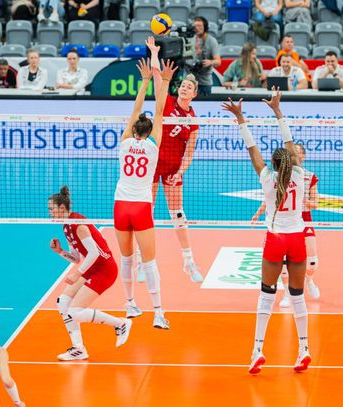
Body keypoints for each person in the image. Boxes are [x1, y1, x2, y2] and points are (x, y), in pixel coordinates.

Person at [222, 91, 311, 375]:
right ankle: (304, 349)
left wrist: (240, 118)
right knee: (297, 296)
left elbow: (252, 150)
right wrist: (278, 111)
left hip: (276, 239)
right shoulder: (300, 175)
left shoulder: (267, 178)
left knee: (266, 295)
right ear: (292, 161)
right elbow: (289, 143)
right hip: (297, 238)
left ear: (273, 164)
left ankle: (257, 350)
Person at [113, 57, 176, 328]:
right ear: (150, 132)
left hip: (120, 205)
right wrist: (165, 81)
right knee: (149, 263)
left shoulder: (125, 141)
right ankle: (158, 313)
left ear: (134, 128)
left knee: (127, 259)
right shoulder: (153, 146)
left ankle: (129, 304)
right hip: (140, 206)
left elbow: (136, 109)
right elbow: (159, 110)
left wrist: (145, 81)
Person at [144, 36, 204, 283]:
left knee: (178, 214)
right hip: (153, 164)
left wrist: (181, 171)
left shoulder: (193, 122)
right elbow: (157, 76)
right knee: (146, 213)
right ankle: (144, 262)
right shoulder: (166, 101)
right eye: (183, 85)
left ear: (194, 94)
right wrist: (154, 53)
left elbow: (189, 152)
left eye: (189, 87)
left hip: (172, 168)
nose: (184, 88)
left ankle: (189, 262)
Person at [49, 186, 132, 360]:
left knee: (75, 311)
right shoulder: (66, 226)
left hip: (105, 269)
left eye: (51, 209)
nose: (49, 213)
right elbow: (77, 258)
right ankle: (79, 349)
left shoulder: (79, 225)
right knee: (63, 302)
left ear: (62, 208)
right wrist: (60, 251)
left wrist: (77, 274)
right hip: (92, 268)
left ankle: (120, 323)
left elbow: (94, 253)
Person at [252, 143, 320, 307]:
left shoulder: (308, 176)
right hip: (283, 223)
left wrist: (305, 202)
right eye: (293, 151)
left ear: (302, 156)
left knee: (312, 261)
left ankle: (309, 280)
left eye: (298, 152)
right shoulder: (279, 175)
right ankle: (288, 294)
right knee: (282, 263)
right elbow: (270, 199)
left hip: (304, 220)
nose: (295, 153)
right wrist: (257, 214)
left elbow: (316, 203)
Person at [189, 16, 221, 96]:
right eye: (195, 26)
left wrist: (210, 62)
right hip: (190, 81)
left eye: (199, 26)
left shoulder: (212, 41)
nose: (197, 28)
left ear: (205, 27)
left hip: (205, 82)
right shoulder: (190, 39)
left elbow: (218, 62)